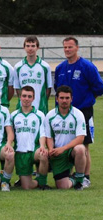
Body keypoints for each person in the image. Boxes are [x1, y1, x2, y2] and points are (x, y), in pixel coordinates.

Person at [54, 37, 103, 187]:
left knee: (84, 144)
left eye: (70, 47)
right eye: (65, 47)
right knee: (66, 142)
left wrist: (87, 99)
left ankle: (85, 177)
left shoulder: (87, 66)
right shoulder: (60, 68)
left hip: (83, 111)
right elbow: (57, 88)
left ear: (77, 48)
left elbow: (99, 88)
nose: (67, 50)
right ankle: (69, 173)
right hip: (64, 113)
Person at [45, 85, 87, 190]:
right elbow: (48, 137)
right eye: (62, 98)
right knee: (62, 186)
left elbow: (80, 138)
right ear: (57, 99)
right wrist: (51, 150)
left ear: (71, 99)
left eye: (67, 98)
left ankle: (80, 181)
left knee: (81, 149)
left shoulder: (78, 114)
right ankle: (72, 178)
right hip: (57, 153)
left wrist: (63, 149)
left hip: (71, 151)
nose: (64, 100)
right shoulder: (50, 115)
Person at [10, 86, 50, 190]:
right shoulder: (13, 116)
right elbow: (10, 134)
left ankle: (43, 183)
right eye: (24, 96)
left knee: (43, 154)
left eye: (29, 96)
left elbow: (42, 133)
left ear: (33, 98)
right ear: (20, 97)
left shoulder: (40, 115)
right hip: (21, 153)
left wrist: (42, 146)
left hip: (34, 150)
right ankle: (36, 180)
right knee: (27, 187)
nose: (26, 99)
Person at [13, 36, 52, 114]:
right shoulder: (18, 67)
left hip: (40, 108)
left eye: (33, 46)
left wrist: (42, 102)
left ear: (37, 47)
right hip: (23, 108)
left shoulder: (45, 66)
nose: (30, 48)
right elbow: (17, 89)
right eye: (27, 46)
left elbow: (48, 89)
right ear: (24, 47)